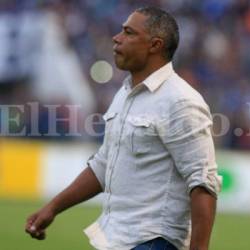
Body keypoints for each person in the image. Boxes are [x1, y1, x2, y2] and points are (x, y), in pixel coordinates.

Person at [25, 6, 222, 250]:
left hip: (153, 242)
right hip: (119, 239)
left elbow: (203, 182)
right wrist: (52, 208)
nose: (117, 38)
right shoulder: (125, 93)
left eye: (129, 33)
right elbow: (103, 164)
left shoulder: (180, 102)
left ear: (155, 45)